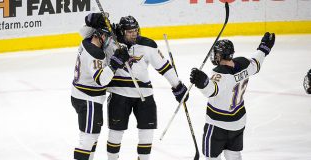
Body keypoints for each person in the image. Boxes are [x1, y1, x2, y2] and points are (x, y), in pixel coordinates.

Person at [82, 14, 189, 160]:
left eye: (135, 30)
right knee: (115, 134)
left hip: (144, 95)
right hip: (118, 94)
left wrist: (177, 86)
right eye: (129, 32)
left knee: (147, 134)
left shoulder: (148, 45)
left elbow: (165, 67)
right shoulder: (109, 41)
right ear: (121, 31)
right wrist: (95, 21)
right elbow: (87, 34)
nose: (134, 34)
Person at [190, 32, 275, 160]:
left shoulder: (219, 73)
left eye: (216, 54)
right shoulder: (245, 64)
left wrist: (203, 82)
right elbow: (257, 62)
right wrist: (264, 47)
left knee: (212, 157)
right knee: (233, 155)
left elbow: (211, 90)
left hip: (217, 124)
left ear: (221, 55)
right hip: (238, 122)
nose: (214, 56)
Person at [71, 13, 130, 160]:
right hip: (88, 99)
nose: (109, 39)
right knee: (87, 139)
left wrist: (99, 20)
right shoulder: (95, 53)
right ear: (97, 34)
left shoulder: (87, 40)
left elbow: (85, 28)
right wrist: (115, 63)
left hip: (83, 96)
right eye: (106, 35)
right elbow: (101, 80)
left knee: (92, 136)